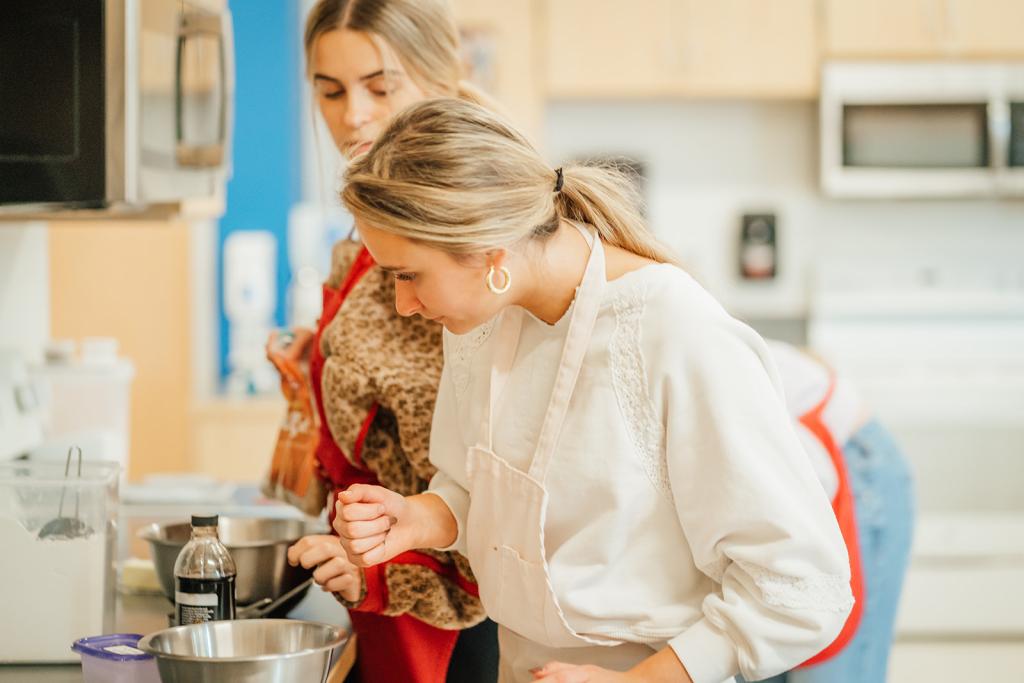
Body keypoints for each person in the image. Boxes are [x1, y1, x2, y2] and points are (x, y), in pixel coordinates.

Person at [331, 97, 854, 683]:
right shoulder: (482, 317)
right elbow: (482, 490)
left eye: (409, 275)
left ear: (488, 251)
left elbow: (802, 586)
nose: (403, 305)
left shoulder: (673, 330)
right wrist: (420, 517)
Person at [268, 2, 500, 681]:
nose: (353, 116)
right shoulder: (381, 211)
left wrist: (382, 570)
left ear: (443, 75)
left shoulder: (459, 231)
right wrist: (319, 361)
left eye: (380, 85)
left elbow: (480, 471)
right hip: (376, 575)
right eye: (330, 90)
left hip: (445, 607)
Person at [748, 341, 914, 683]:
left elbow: (816, 482)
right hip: (788, 489)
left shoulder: (716, 374)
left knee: (830, 670)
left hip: (845, 464)